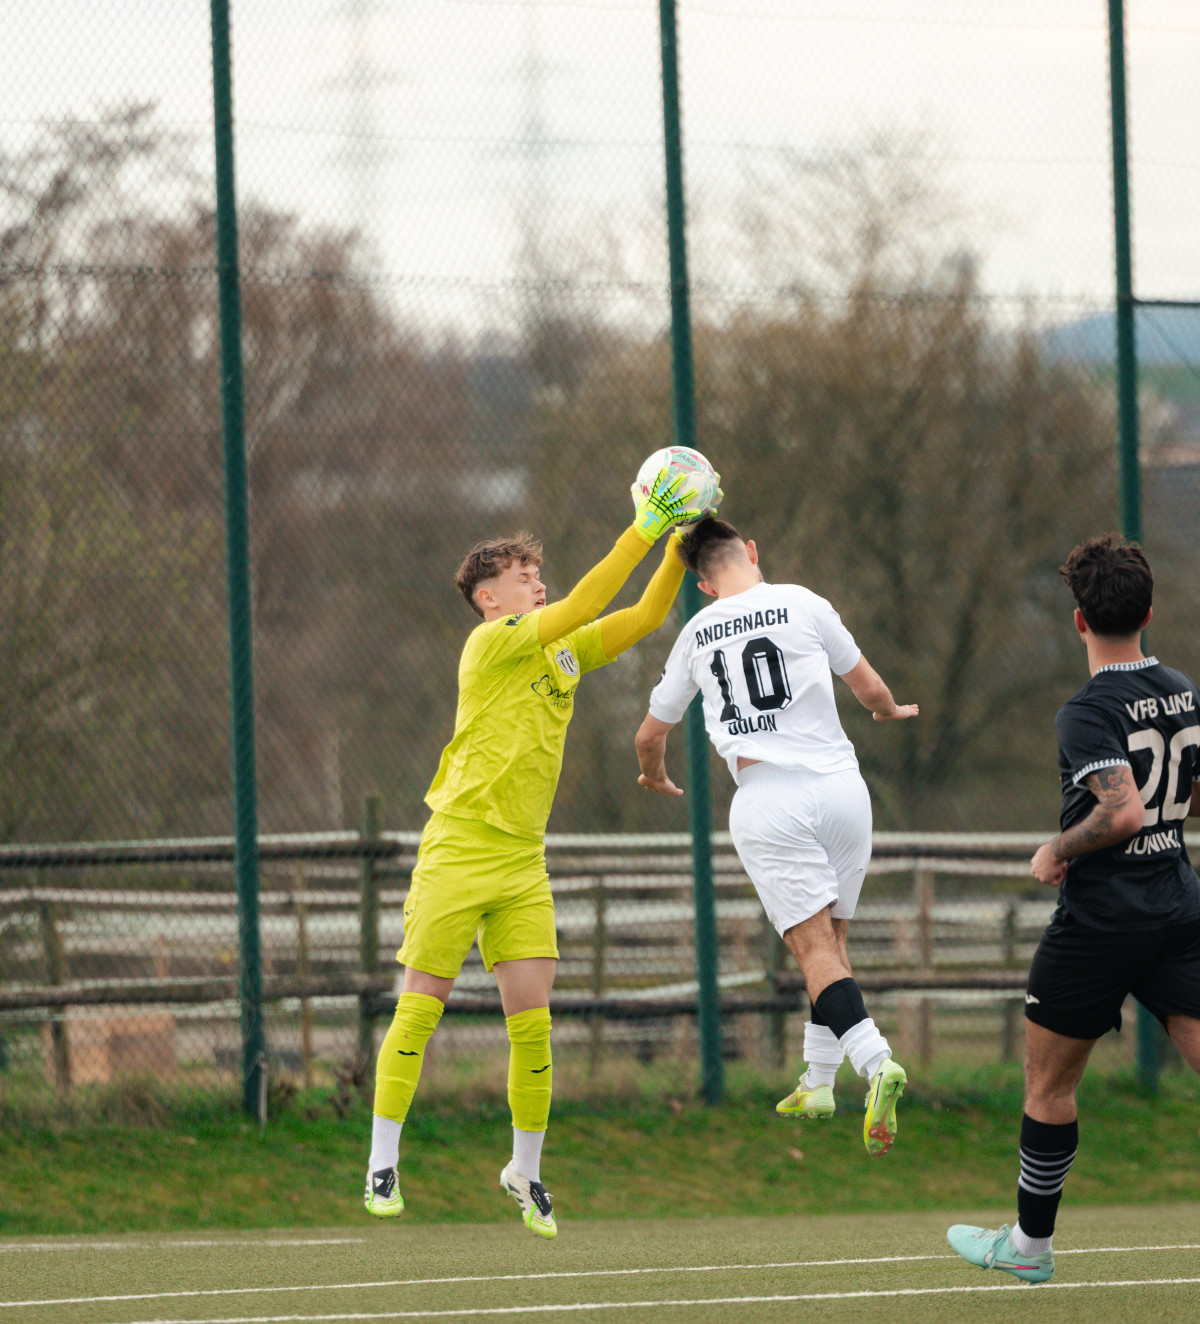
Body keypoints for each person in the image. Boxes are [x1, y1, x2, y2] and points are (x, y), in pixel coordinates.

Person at [363, 467, 715, 1238]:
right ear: (490, 597)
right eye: (524, 578)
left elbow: (645, 615)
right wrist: (644, 525)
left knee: (534, 1027)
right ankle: (383, 1160)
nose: (539, 586)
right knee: (420, 1009)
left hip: (523, 861)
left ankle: (525, 1170)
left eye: (538, 576)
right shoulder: (490, 644)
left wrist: (676, 548)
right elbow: (591, 601)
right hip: (458, 848)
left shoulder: (559, 654)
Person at [947, 533, 1200, 1283]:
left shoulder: (1086, 711)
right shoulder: (1184, 688)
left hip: (1102, 922)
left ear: (1080, 622)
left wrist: (1057, 851)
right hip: (1179, 908)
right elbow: (1184, 796)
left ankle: (1028, 1248)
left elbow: (1118, 815)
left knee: (1050, 1087)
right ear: (1147, 611)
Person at [633, 516, 918, 1156]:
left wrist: (654, 775)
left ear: (702, 586)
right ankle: (818, 1080)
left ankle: (877, 1064)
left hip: (771, 799)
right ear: (752, 553)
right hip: (844, 788)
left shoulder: (696, 632)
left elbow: (650, 736)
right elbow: (869, 687)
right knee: (832, 943)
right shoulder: (803, 601)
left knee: (812, 948)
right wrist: (888, 711)